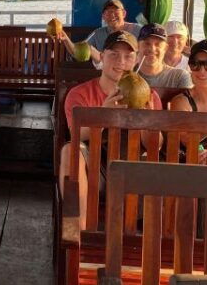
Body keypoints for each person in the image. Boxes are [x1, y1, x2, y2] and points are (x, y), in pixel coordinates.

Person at [58, 32, 162, 229]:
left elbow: (155, 145)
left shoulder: (149, 96)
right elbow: (77, 135)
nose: (121, 62)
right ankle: (78, 233)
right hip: (96, 167)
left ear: (137, 59)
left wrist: (147, 121)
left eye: (128, 56)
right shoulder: (79, 94)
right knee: (69, 151)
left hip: (134, 167)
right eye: (114, 54)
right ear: (102, 57)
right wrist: (103, 115)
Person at [57, 0, 141, 65]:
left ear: (123, 13)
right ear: (103, 16)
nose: (112, 15)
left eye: (116, 11)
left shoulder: (138, 30)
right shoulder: (98, 34)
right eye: (108, 12)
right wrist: (65, 38)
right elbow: (76, 52)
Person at [136, 23, 192, 89]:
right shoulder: (127, 75)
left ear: (165, 48)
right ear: (138, 46)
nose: (152, 49)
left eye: (158, 44)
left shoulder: (179, 77)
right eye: (147, 43)